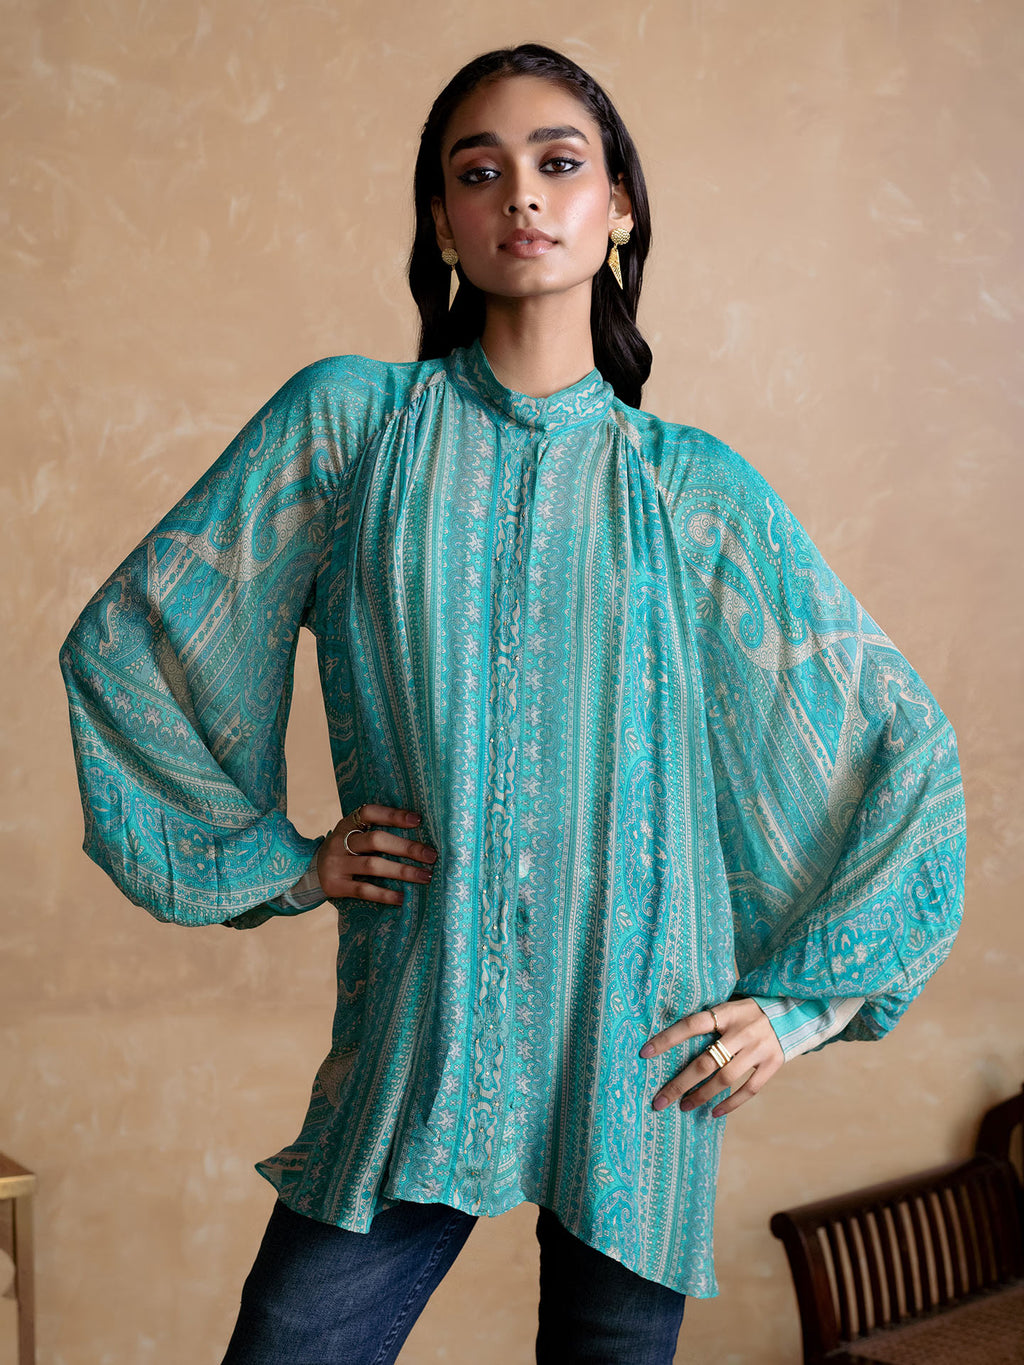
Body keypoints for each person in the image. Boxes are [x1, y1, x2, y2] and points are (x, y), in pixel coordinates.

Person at [59, 43, 966, 1365]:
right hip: (420, 1031)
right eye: (479, 173)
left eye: (559, 165)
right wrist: (289, 863)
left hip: (642, 1055)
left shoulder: (689, 489)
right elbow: (134, 642)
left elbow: (895, 740)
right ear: (443, 222)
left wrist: (802, 1003)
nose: (521, 197)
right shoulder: (351, 428)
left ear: (619, 209)